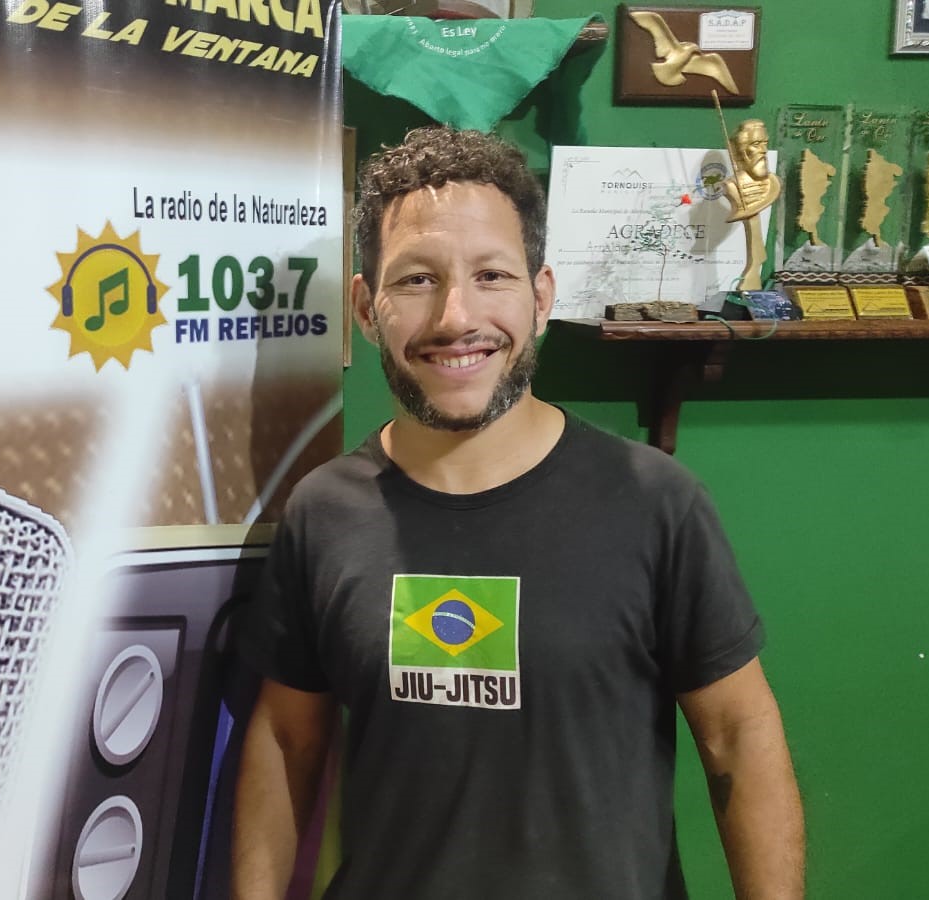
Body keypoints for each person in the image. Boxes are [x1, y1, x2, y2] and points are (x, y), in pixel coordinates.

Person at [233, 125, 803, 899]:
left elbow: (738, 736)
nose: (455, 316)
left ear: (540, 298)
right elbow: (285, 740)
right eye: (416, 280)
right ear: (366, 308)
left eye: (492, 275)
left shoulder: (655, 503)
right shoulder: (324, 513)